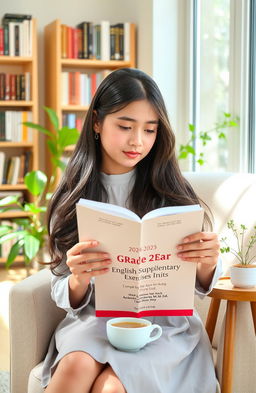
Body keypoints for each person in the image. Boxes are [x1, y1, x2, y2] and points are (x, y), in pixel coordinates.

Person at [42, 68, 222, 393]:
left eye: (150, 130)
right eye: (125, 126)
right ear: (97, 122)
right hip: (95, 319)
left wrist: (207, 263)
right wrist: (78, 279)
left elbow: (198, 287)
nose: (137, 141)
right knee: (75, 366)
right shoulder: (72, 195)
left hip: (163, 327)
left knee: (112, 387)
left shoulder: (172, 191)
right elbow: (59, 286)